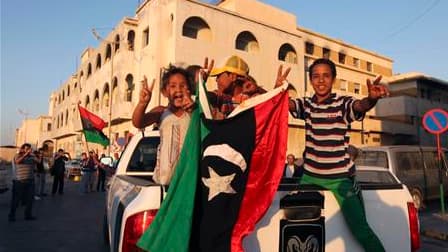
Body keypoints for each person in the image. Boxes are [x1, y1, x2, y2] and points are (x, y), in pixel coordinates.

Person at [275, 58, 389, 252]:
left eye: (326, 76)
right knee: (300, 229)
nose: (321, 81)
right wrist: (278, 90)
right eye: (316, 76)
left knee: (361, 231)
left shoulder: (343, 103)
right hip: (310, 177)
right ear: (310, 80)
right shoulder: (307, 104)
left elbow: (360, 106)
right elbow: (287, 105)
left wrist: (371, 99)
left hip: (339, 180)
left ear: (334, 79)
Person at [132, 65, 194, 185]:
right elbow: (138, 122)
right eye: (173, 86)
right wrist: (142, 104)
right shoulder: (161, 112)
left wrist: (193, 110)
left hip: (188, 182)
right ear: (165, 92)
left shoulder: (195, 113)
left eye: (183, 85)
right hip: (164, 181)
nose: (178, 90)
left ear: (189, 90)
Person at [207, 55, 249, 119]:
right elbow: (209, 96)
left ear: (233, 76)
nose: (216, 80)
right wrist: (201, 83)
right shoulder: (222, 98)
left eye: (218, 76)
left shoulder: (252, 101)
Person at [8, 143, 38, 221]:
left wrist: (33, 155)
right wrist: (25, 155)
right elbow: (17, 162)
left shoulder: (31, 157)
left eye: (29, 148)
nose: (27, 150)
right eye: (26, 148)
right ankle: (12, 215)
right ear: (22, 149)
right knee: (16, 199)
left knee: (30, 199)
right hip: (19, 181)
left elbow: (38, 161)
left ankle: (28, 215)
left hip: (30, 181)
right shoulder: (17, 155)